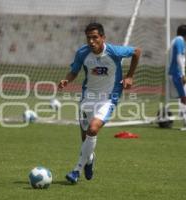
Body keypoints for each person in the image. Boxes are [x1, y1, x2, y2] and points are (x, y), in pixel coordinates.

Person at [58, 22, 141, 183]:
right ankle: (89, 159)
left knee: (93, 129)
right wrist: (66, 81)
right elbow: (74, 71)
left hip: (108, 98)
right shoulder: (82, 53)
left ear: (103, 37)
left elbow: (137, 51)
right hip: (87, 98)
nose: (91, 41)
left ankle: (76, 171)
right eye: (88, 38)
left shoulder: (114, 51)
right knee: (85, 139)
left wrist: (130, 75)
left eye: (95, 37)